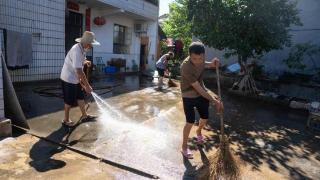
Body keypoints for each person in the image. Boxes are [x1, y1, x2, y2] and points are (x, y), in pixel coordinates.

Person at [180, 42, 224, 159]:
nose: (198, 61)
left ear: (203, 55)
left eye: (200, 58)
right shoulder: (185, 67)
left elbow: (205, 64)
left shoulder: (200, 60)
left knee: (204, 118)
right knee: (190, 121)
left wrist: (213, 64)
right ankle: (184, 147)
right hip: (188, 94)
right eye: (194, 58)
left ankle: (199, 131)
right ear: (189, 55)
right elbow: (199, 89)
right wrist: (214, 101)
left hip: (200, 92)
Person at [60, 31, 100, 127]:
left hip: (76, 78)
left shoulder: (82, 48)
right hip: (68, 78)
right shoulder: (76, 50)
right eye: (91, 45)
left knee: (80, 97)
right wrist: (87, 85)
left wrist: (85, 62)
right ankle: (65, 120)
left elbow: (80, 61)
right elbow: (79, 70)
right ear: (86, 43)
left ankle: (84, 115)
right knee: (69, 101)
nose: (91, 47)